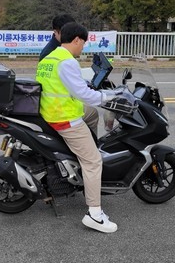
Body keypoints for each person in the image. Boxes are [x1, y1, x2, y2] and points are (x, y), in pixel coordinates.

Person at [36, 22, 119, 233]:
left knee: (91, 114)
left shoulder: (51, 57)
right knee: (93, 161)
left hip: (51, 111)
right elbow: (84, 94)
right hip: (64, 118)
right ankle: (94, 214)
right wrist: (109, 97)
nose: (83, 48)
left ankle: (87, 148)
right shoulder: (67, 62)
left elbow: (67, 83)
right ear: (76, 40)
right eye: (83, 43)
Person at [40, 14, 100, 136]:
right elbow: (81, 93)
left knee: (92, 112)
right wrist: (106, 97)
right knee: (92, 155)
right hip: (60, 111)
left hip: (53, 107)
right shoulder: (55, 53)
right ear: (55, 32)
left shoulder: (56, 50)